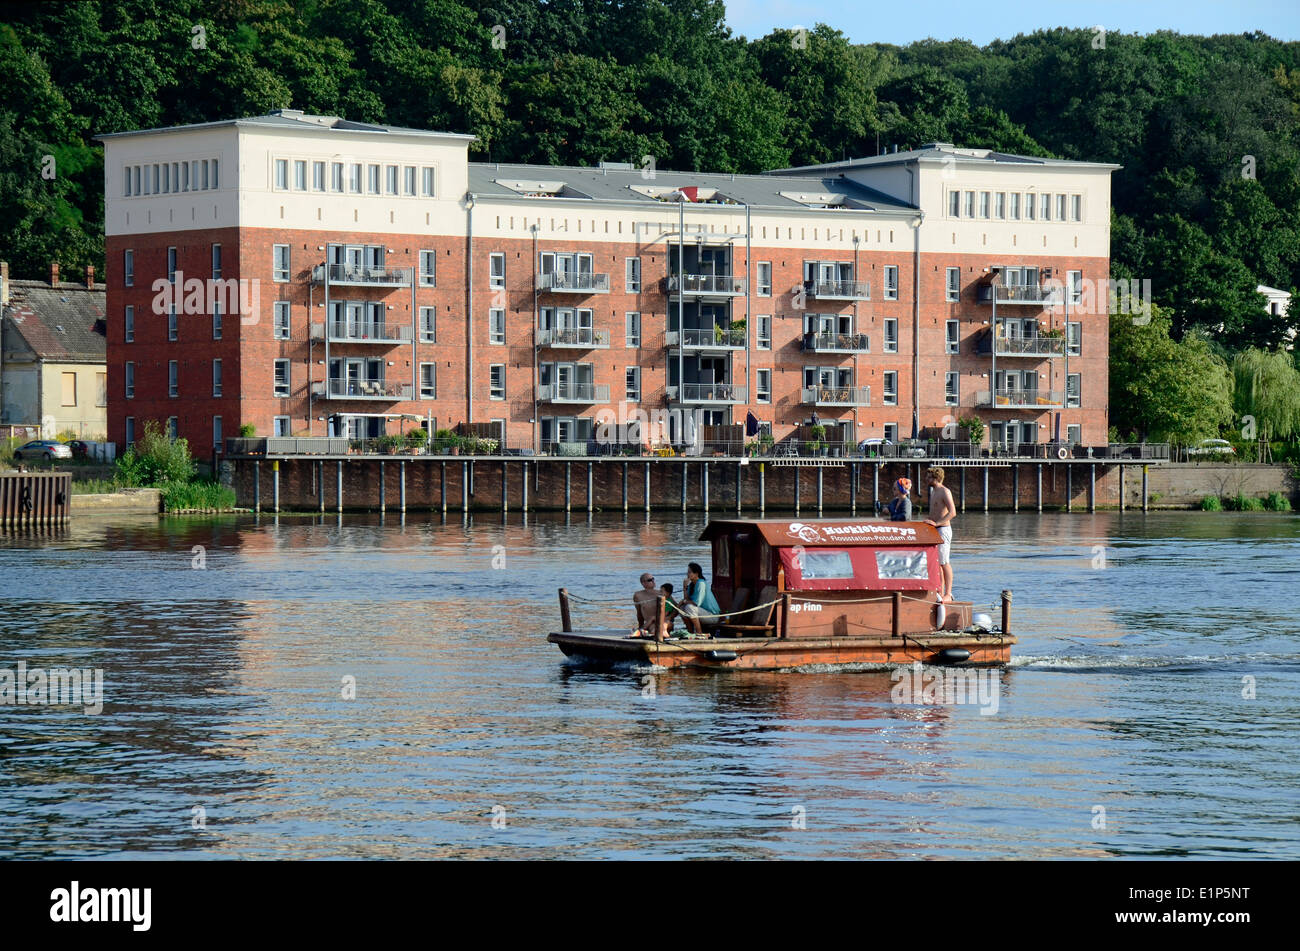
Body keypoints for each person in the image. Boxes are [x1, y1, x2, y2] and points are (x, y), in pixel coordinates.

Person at [923, 466, 956, 602]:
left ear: (936, 478)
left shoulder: (944, 491)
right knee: (937, 563)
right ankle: (940, 592)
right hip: (935, 530)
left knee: (944, 562)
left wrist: (937, 524)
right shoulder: (934, 492)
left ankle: (948, 593)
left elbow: (952, 512)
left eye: (929, 477)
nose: (926, 479)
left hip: (943, 530)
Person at [678, 562, 721, 634]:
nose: (687, 574)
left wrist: (684, 601)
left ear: (696, 574)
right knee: (682, 608)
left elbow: (696, 603)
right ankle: (690, 632)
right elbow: (686, 599)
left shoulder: (701, 584)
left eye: (690, 572)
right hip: (702, 613)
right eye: (687, 572)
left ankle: (699, 633)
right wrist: (684, 587)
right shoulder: (692, 585)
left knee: (689, 607)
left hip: (712, 616)